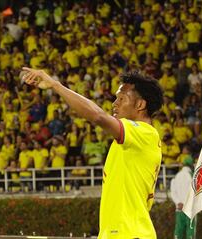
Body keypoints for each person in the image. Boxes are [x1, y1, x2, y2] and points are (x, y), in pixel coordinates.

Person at [22, 67, 163, 238]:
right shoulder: (131, 142)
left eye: (121, 98)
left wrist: (55, 85)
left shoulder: (145, 133)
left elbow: (98, 117)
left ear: (140, 105)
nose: (114, 104)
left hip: (130, 233)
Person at [170, 158, 196, 239]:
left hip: (179, 208)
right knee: (190, 232)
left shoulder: (176, 176)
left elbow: (173, 192)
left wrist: (178, 202)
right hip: (189, 209)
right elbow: (194, 192)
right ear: (191, 165)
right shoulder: (192, 175)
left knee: (178, 231)